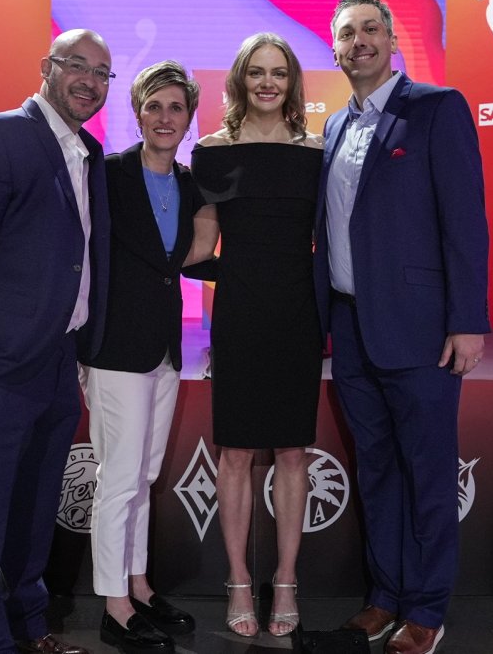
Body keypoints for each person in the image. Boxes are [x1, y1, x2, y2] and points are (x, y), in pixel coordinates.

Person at [0, 29, 114, 654]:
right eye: (76, 66)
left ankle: (30, 631)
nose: (89, 80)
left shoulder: (88, 150)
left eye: (101, 73)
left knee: (34, 511)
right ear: (46, 68)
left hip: (59, 361)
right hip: (0, 367)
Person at [317, 0, 490, 654]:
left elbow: (464, 221)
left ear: (392, 42)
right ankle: (385, 594)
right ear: (333, 48)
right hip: (351, 328)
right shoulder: (334, 127)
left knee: (426, 470)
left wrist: (467, 320)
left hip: (420, 329)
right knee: (378, 471)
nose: (358, 40)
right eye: (346, 33)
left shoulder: (436, 108)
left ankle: (425, 606)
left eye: (369, 29)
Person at [188, 32, 323, 639]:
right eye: (256, 73)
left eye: (279, 73)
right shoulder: (211, 153)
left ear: (293, 82)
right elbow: (198, 251)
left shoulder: (317, 151)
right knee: (237, 452)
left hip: (299, 313)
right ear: (240, 81)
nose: (267, 83)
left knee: (293, 451)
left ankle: (287, 579)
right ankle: (239, 579)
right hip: (240, 314)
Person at [79, 60, 207, 654]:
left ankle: (138, 585)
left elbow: (182, 261)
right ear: (136, 112)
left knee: (145, 478)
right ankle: (113, 606)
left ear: (189, 117)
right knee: (120, 478)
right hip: (114, 350)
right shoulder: (104, 174)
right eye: (154, 106)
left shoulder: (189, 184)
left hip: (165, 350)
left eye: (176, 107)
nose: (164, 117)